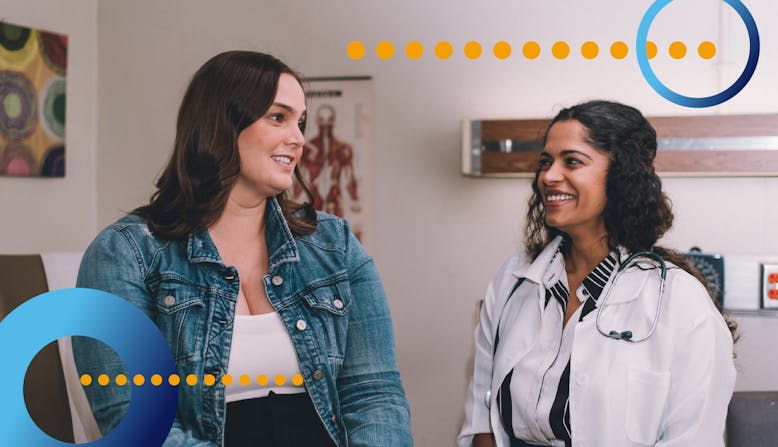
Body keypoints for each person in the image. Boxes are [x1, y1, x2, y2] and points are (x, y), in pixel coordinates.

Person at [72, 51, 412, 447]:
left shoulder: (334, 245)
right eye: (278, 117)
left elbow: (375, 395)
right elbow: (132, 417)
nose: (299, 139)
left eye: (300, 122)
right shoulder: (124, 254)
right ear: (221, 124)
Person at [458, 100, 736, 447]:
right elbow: (483, 418)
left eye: (571, 161)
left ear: (621, 175)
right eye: (546, 162)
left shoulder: (680, 302)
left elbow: (693, 439)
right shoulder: (513, 280)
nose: (548, 176)